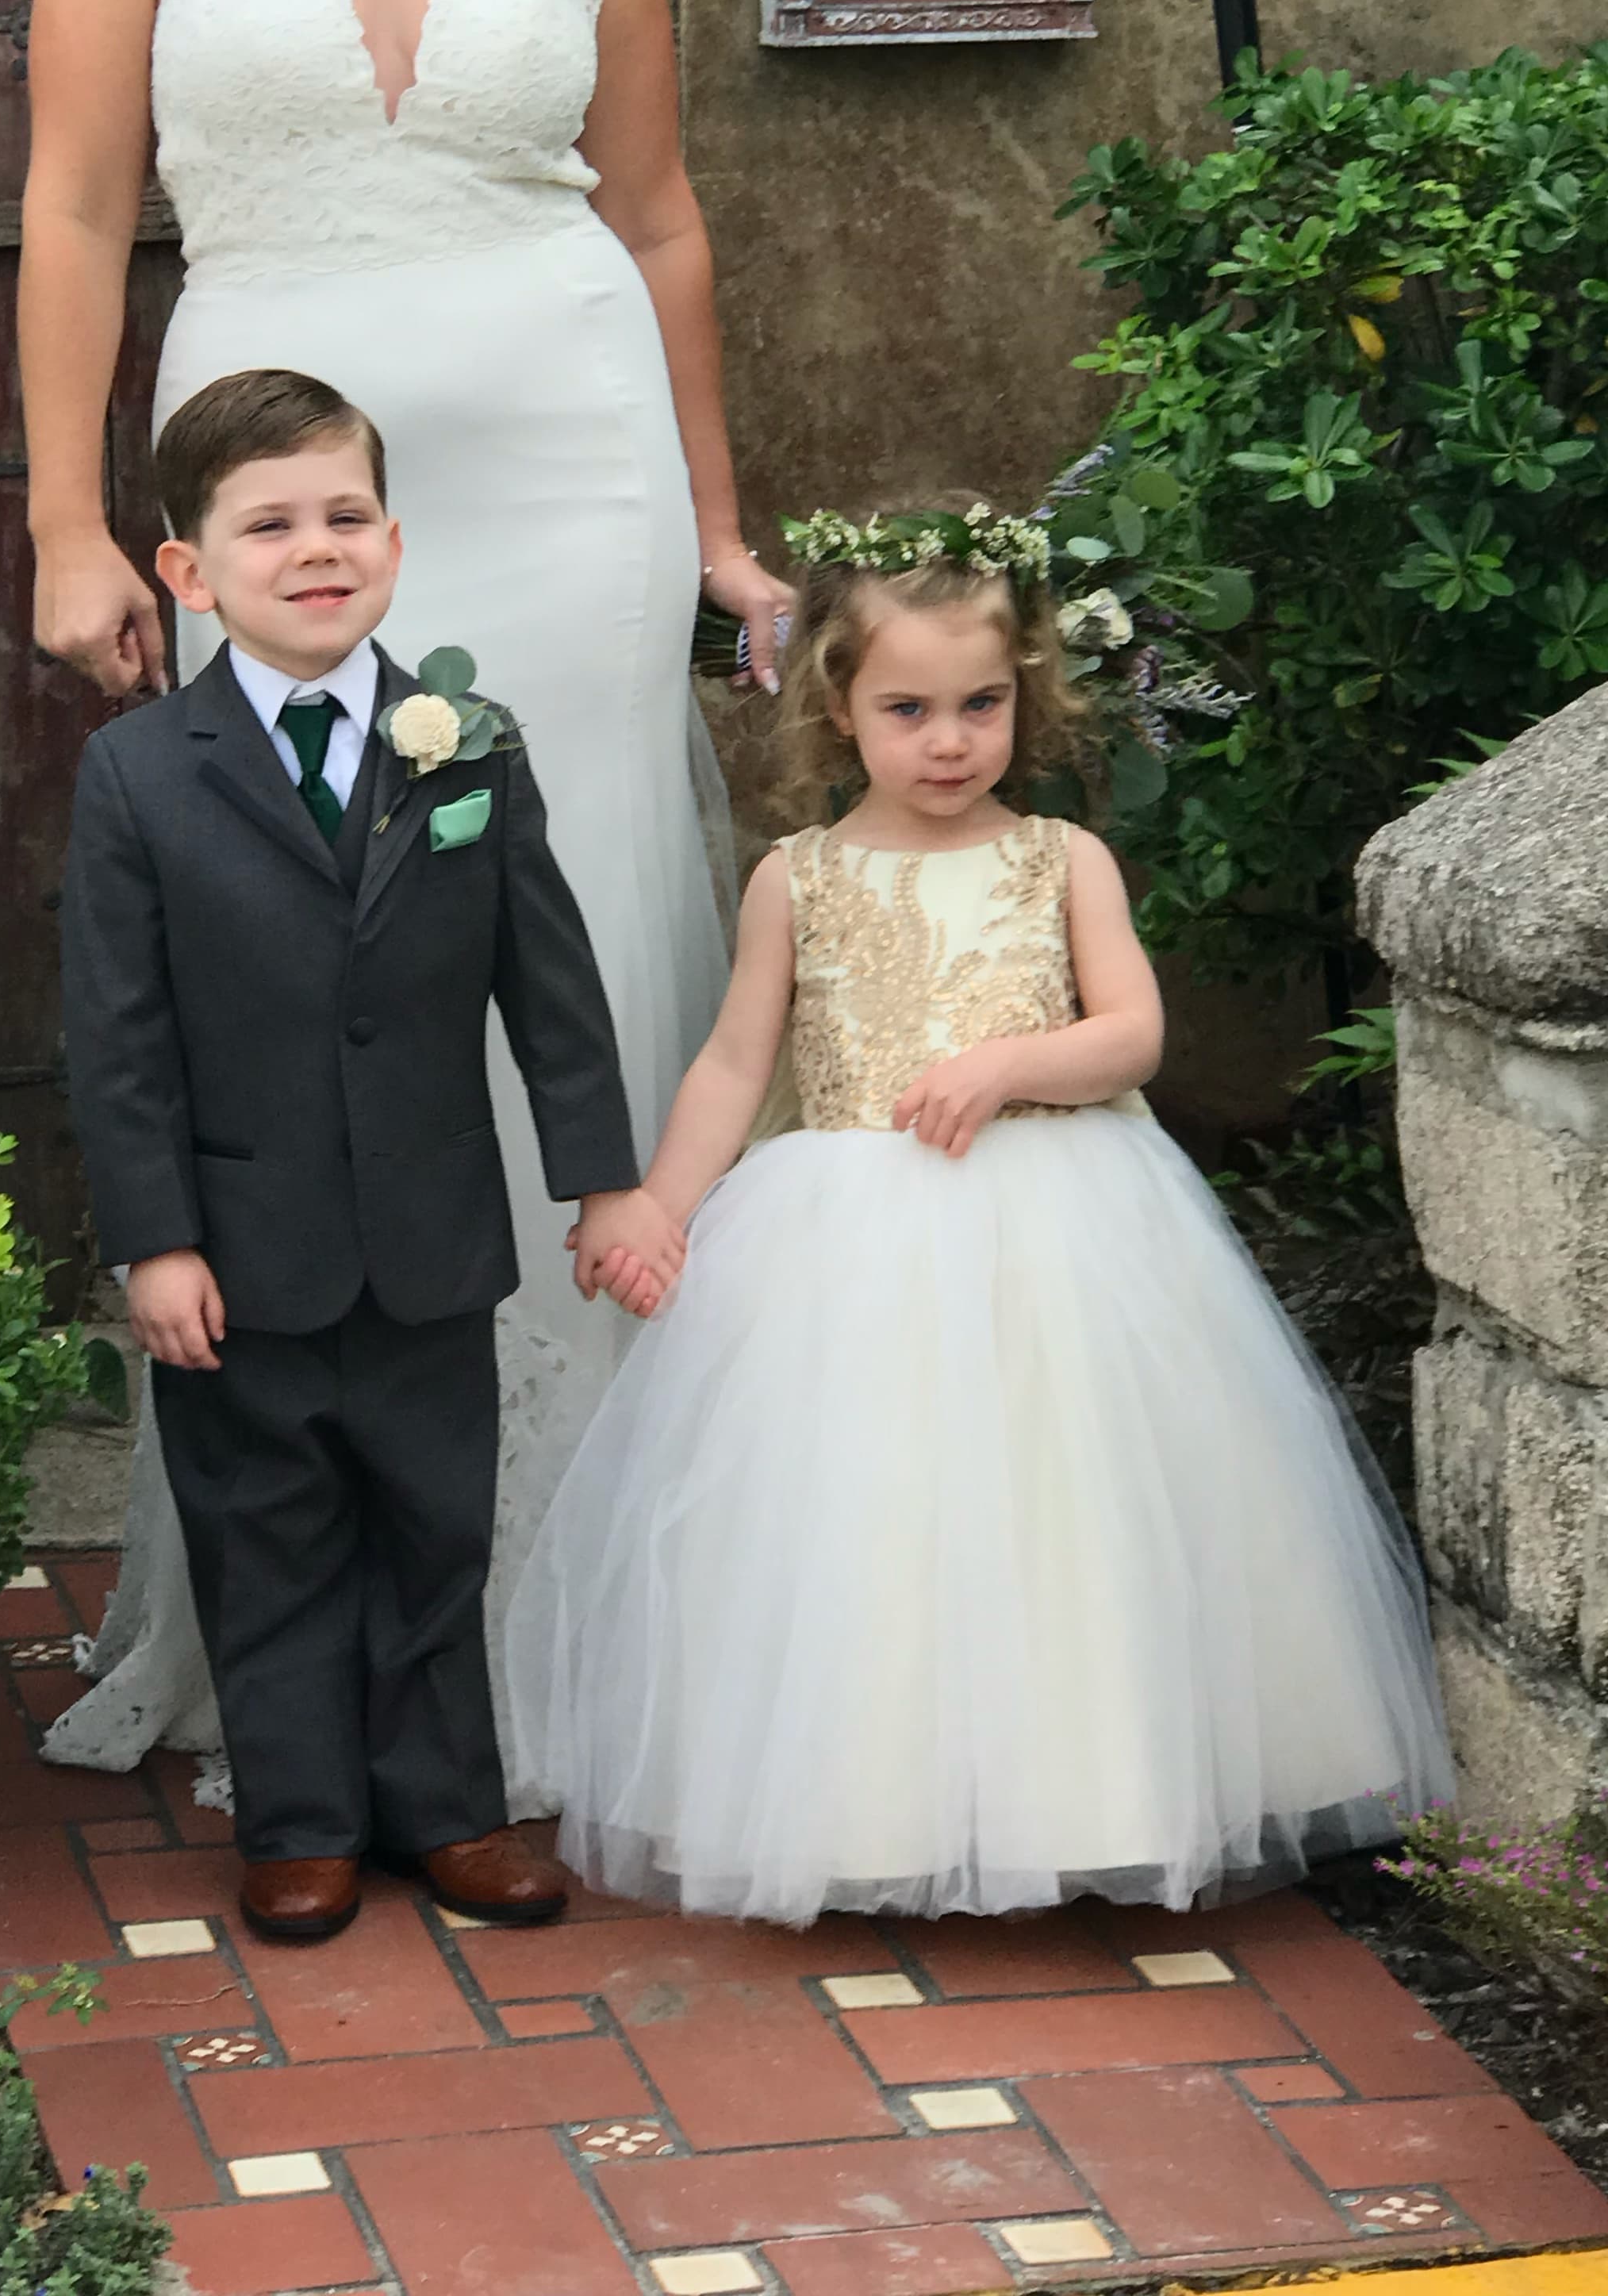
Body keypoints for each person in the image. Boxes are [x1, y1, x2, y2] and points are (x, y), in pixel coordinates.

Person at [21, 0, 788, 1783]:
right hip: (276, 468)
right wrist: (70, 525)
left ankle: (583, 1618)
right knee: (284, 999)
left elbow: (655, 221)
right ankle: (308, 1641)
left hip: (562, 480)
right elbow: (72, 213)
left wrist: (720, 526)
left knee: (561, 974)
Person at [505, 503, 1455, 1922]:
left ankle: (1095, 1794)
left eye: (980, 705)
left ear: (1028, 696)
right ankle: (869, 1807)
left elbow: (1131, 1036)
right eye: (908, 709)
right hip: (840, 1249)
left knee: (1068, 1511)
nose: (949, 740)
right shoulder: (796, 880)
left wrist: (1014, 1063)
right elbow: (731, 1065)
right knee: (866, 1518)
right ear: (838, 706)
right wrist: (657, 1202)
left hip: (1061, 1234)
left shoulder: (1062, 860)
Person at [59, 369, 681, 1942]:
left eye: (346, 516)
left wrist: (602, 1177)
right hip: (239, 1250)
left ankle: (446, 1812)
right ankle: (302, 1822)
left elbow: (551, 984)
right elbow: (119, 1035)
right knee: (266, 1538)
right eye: (270, 525)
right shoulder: (140, 776)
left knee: (432, 1525)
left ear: (394, 543)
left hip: (428, 1236)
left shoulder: (465, 742)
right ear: (190, 573)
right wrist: (155, 1240)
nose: (315, 549)